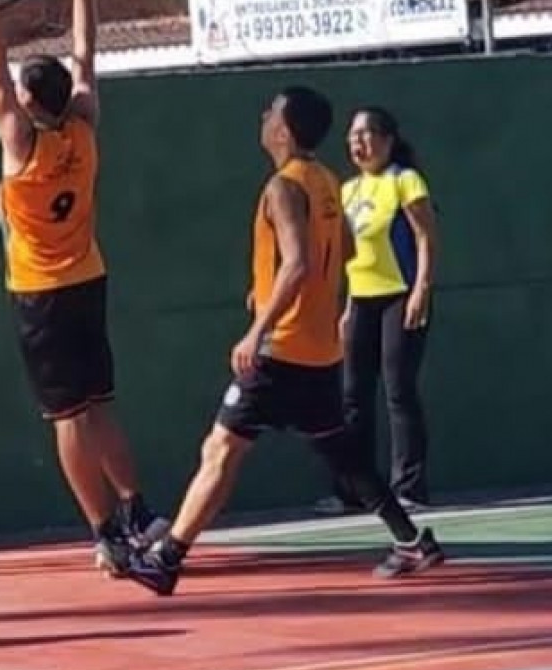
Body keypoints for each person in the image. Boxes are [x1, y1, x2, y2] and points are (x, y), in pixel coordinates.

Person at [125, 85, 443, 597]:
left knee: (222, 447)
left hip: (281, 349)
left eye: (270, 111)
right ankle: (411, 541)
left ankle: (167, 557)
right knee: (343, 455)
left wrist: (260, 326)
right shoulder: (325, 181)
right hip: (318, 352)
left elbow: (297, 263)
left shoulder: (283, 186)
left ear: (284, 129)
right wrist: (276, 287)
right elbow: (340, 253)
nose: (264, 117)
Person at [0, 0, 166, 574]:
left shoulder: (20, 144)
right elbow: (86, 54)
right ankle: (138, 507)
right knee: (101, 403)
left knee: (68, 418)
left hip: (41, 293)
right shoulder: (83, 124)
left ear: (29, 102)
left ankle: (105, 531)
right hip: (88, 279)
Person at [335, 104, 439, 508]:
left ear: (387, 140)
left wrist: (420, 290)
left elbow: (427, 238)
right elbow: (351, 257)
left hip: (400, 294)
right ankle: (357, 490)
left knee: (398, 390)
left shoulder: (405, 181)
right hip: (361, 299)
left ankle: (408, 488)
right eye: (352, 136)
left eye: (365, 134)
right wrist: (346, 308)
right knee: (353, 395)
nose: (357, 143)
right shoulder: (348, 191)